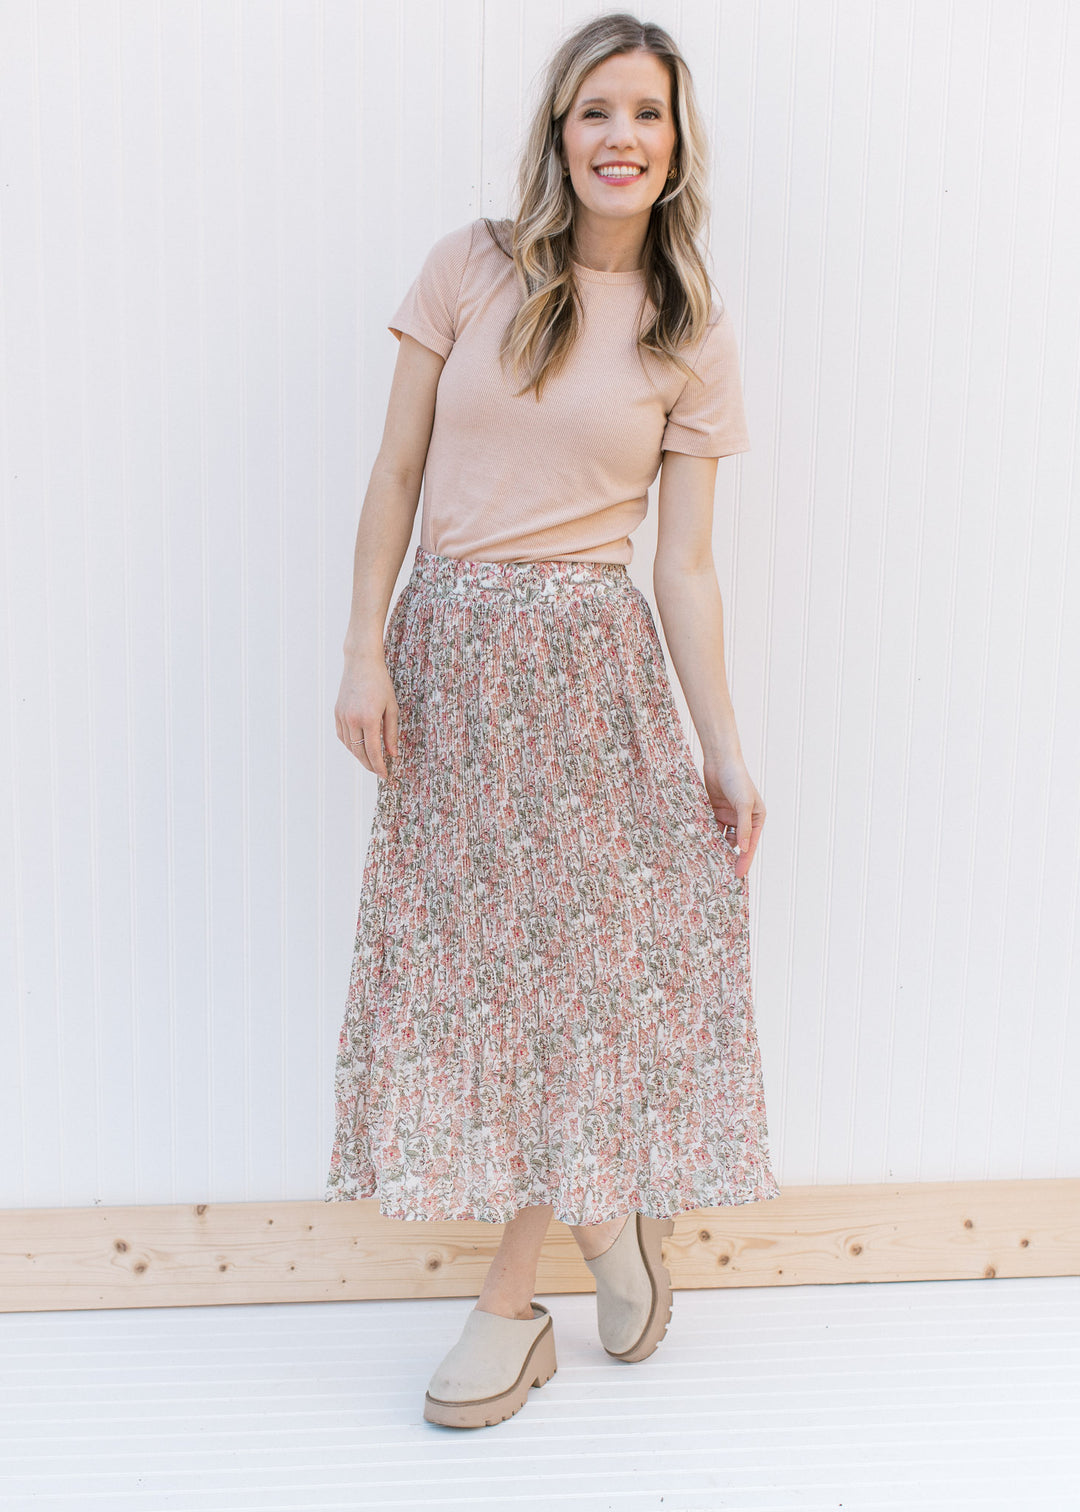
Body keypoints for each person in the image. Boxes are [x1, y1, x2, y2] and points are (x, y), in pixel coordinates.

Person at [324, 10, 780, 1429]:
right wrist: (363, 653)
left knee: (564, 984)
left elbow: (684, 565)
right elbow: (395, 473)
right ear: (559, 132)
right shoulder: (471, 265)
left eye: (646, 113)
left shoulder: (691, 331)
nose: (619, 137)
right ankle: (603, 1215)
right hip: (453, 663)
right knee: (477, 976)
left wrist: (726, 753)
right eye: (595, 111)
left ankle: (509, 1308)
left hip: (591, 680)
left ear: (676, 144)